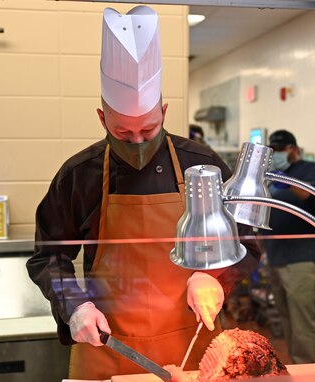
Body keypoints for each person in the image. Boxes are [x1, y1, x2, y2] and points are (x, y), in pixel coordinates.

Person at [26, 5, 260, 380]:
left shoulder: (201, 164)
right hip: (108, 346)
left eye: (148, 131)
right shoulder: (78, 175)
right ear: (102, 118)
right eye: (123, 133)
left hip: (193, 345)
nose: (137, 142)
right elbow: (48, 258)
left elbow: (246, 239)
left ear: (164, 112)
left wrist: (214, 277)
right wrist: (75, 306)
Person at [262, 129, 315, 364]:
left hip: (303, 257)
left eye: (282, 150)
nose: (278, 155)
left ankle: (309, 372)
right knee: (287, 318)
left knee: (303, 320)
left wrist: (285, 180)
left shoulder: (310, 170)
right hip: (277, 257)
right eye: (274, 151)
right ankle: (297, 368)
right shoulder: (270, 176)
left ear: (295, 150)